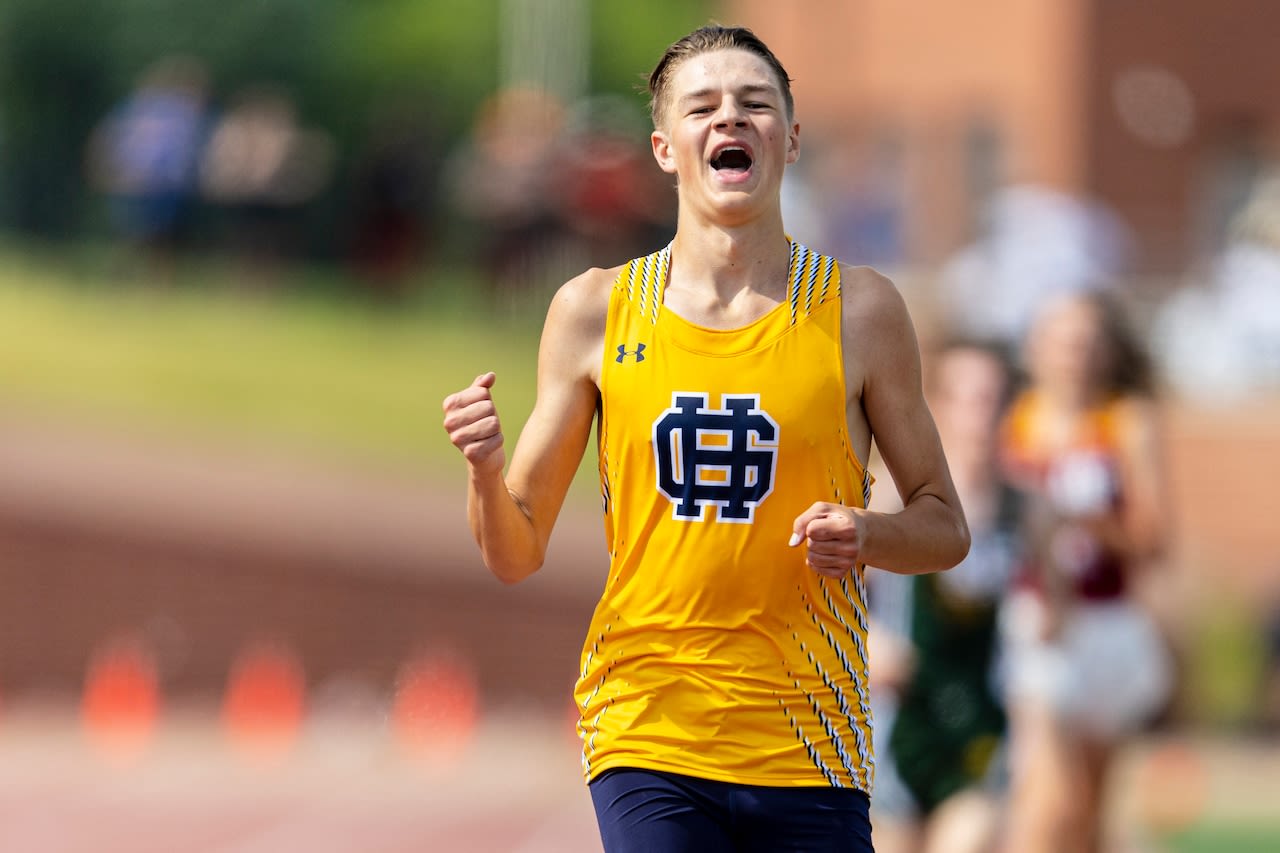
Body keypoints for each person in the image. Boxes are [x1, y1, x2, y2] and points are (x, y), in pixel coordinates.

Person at [442, 25, 970, 852]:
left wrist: (868, 533)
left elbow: (946, 526)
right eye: (704, 106)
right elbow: (515, 551)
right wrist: (485, 468)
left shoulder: (860, 312)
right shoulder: (595, 309)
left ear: (790, 139)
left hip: (808, 737)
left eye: (755, 104)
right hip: (648, 725)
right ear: (664, 146)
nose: (731, 118)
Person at [997, 291, 1173, 853]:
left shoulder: (1124, 422)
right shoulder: (1013, 421)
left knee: (1091, 814)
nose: (1074, 354)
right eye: (1062, 340)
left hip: (1108, 622)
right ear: (1035, 348)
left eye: (1086, 342)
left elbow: (1154, 539)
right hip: (1039, 621)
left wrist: (1087, 520)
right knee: (1053, 799)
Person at [869, 339, 1022, 853]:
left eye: (993, 398)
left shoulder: (1025, 511)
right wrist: (869, 641)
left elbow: (1057, 613)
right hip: (900, 727)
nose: (981, 414)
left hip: (979, 726)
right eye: (966, 398)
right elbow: (823, 590)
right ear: (936, 405)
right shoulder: (894, 499)